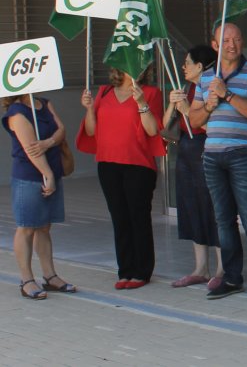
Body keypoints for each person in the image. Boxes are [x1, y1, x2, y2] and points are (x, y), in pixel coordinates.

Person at [188, 22, 247, 301]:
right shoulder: (205, 79)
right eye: (225, 40)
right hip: (213, 155)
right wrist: (209, 105)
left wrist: (227, 94)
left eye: (237, 39)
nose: (232, 44)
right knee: (223, 221)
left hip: (243, 154)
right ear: (215, 46)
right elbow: (194, 120)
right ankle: (232, 278)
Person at [80, 67, 165, 289]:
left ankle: (142, 271)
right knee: (119, 218)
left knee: (138, 218)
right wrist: (89, 109)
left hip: (138, 165)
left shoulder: (150, 92)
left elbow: (153, 130)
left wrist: (141, 103)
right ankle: (125, 270)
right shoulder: (104, 92)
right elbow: (91, 131)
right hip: (108, 164)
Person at [164, 45, 224, 291]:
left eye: (188, 62)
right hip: (187, 151)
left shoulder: (212, 90)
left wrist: (188, 110)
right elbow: (166, 128)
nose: (183, 67)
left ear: (200, 66)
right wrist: (172, 104)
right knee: (191, 207)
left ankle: (222, 268)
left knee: (213, 208)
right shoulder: (188, 89)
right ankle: (200, 268)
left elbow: (213, 126)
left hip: (208, 149)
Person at [3, 93, 74, 300]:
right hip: (29, 177)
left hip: (51, 172)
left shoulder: (44, 103)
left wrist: (49, 142)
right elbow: (31, 148)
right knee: (26, 227)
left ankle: (50, 276)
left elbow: (61, 131)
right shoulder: (15, 113)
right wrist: (48, 175)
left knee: (44, 227)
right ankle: (26, 280)